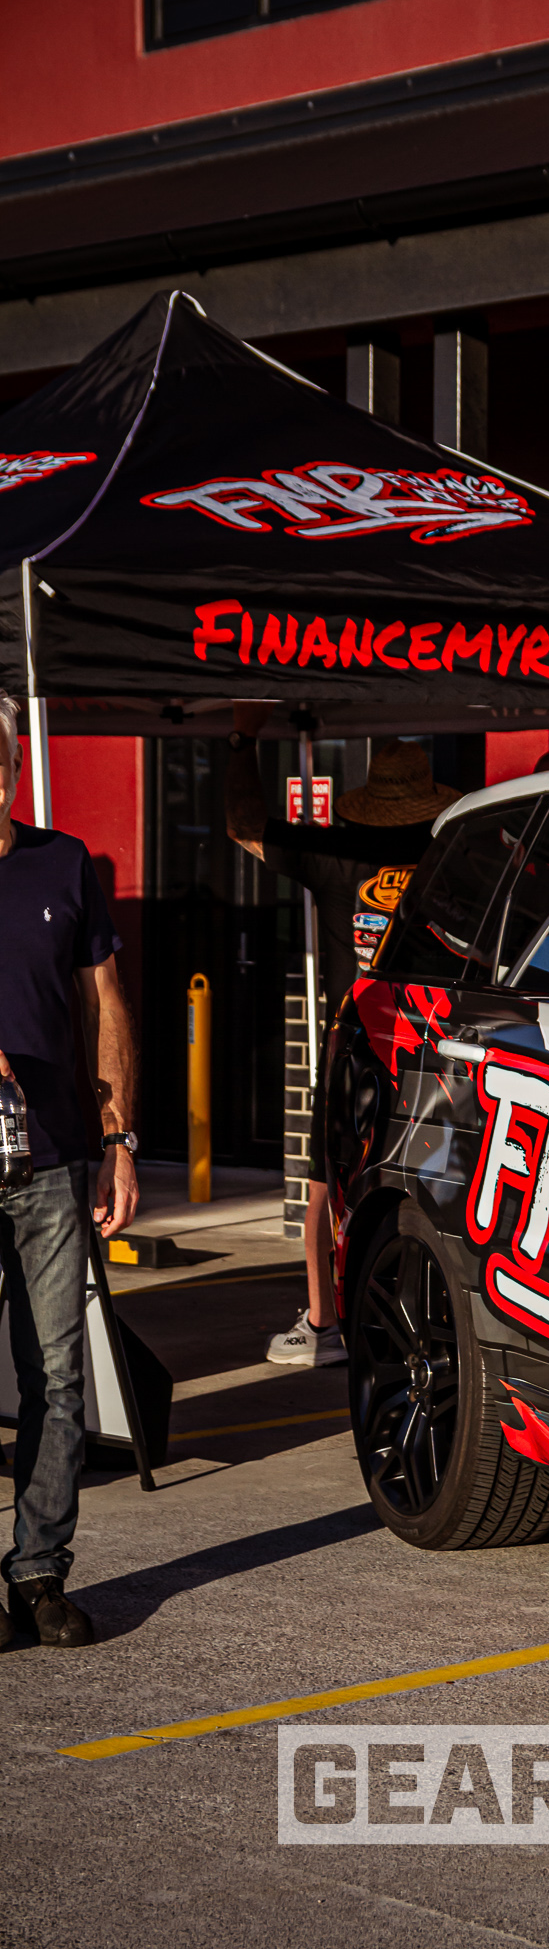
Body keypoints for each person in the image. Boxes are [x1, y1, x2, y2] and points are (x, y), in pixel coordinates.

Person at [226, 708, 456, 1366]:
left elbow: (242, 825)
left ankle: (323, 1323)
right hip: (440, 1042)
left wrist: (242, 739)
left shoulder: (333, 852)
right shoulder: (450, 854)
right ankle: (435, 1320)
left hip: (353, 1045)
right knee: (440, 1181)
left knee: (326, 1183)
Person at [0, 694, 139, 1651]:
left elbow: (106, 1001)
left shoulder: (63, 862)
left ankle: (39, 1572)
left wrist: (119, 1139)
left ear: (12, 769)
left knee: (57, 1377)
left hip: (53, 1162)